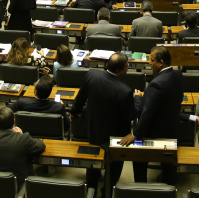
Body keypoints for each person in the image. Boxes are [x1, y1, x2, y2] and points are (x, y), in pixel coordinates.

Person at [71, 54, 137, 190]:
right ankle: (108, 188)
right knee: (116, 165)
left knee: (92, 159)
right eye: (126, 67)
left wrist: (73, 112)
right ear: (120, 71)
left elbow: (80, 98)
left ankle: (92, 187)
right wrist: (137, 99)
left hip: (93, 128)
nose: (128, 68)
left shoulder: (91, 75)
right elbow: (129, 116)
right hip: (113, 136)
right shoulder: (125, 91)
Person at [122, 46, 184, 184]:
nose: (149, 62)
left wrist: (135, 134)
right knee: (167, 162)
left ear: (161, 62)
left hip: (154, 132)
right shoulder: (177, 74)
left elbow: (146, 113)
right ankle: (169, 186)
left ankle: (141, 188)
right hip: (172, 129)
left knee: (139, 160)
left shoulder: (156, 84)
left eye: (151, 60)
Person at [0, 107, 46, 188]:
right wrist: (21, 134)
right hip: (19, 185)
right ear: (14, 122)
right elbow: (41, 146)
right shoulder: (23, 138)